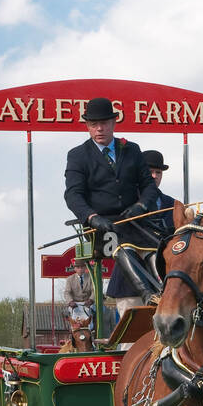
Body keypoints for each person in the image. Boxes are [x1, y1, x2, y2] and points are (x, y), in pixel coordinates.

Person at [64, 97, 161, 315]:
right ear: (87, 126)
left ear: (114, 123)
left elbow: (148, 185)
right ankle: (147, 293)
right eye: (93, 124)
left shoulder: (132, 149)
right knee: (123, 247)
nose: (99, 129)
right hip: (102, 226)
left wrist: (141, 206)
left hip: (134, 220)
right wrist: (91, 217)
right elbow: (73, 195)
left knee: (154, 248)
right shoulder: (77, 155)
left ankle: (164, 289)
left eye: (104, 123)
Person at [142, 150, 176, 240]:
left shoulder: (172, 204)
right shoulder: (126, 200)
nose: (154, 176)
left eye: (158, 172)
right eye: (150, 171)